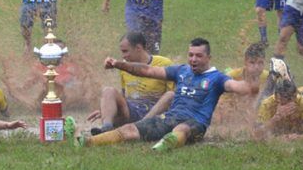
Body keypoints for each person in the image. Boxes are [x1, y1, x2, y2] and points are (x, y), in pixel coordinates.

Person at [64, 38, 258, 152]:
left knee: (183, 129)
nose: (193, 59)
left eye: (198, 56)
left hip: (195, 123)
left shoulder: (217, 78)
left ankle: (165, 145)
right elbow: (147, 71)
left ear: (209, 58)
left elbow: (237, 86)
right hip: (169, 118)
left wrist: (251, 86)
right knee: (130, 130)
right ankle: (88, 142)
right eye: (191, 54)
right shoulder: (182, 70)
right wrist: (119, 64)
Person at [87, 32, 173, 135]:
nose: (123, 56)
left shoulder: (164, 64)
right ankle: (106, 129)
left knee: (171, 95)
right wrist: (107, 110)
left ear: (138, 48)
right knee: (108, 91)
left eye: (125, 51)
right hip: (132, 111)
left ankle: (141, 127)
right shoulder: (124, 67)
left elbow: (173, 96)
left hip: (155, 112)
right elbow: (124, 97)